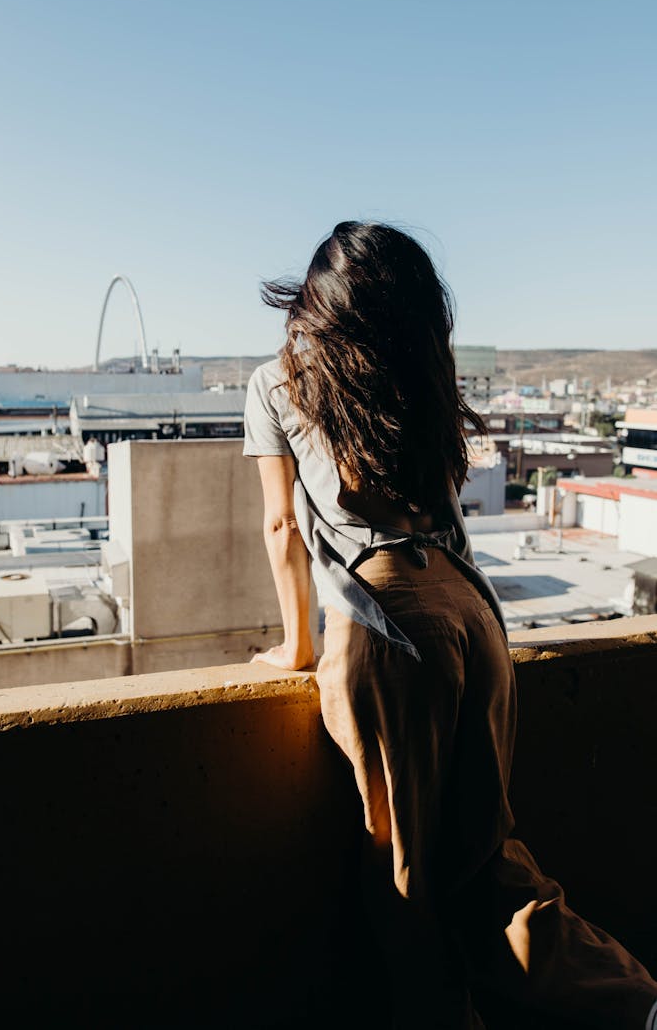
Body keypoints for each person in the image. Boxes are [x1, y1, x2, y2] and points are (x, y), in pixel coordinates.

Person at [243, 221, 657, 1030]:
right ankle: (634, 1003)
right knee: (487, 862)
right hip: (467, 604)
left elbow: (280, 529)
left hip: (383, 618)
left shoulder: (274, 382)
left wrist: (297, 647)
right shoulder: (417, 374)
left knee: (406, 881)